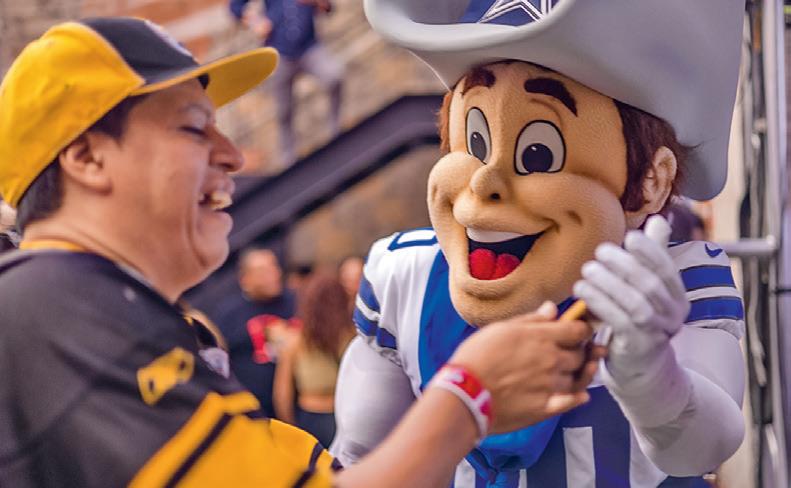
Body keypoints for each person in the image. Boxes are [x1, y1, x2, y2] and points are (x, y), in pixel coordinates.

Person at [0, 16, 602, 487]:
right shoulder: (59, 305)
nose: (232, 154)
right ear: (86, 157)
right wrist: (470, 395)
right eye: (192, 127)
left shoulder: (89, 306)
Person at [332, 1, 746, 486]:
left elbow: (705, 447)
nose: (484, 182)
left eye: (537, 154)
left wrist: (652, 375)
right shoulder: (406, 276)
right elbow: (360, 458)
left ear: (651, 180)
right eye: (476, 143)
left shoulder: (670, 284)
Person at [230, 0, 344, 167]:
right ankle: (288, 159)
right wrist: (256, 22)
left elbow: (329, 8)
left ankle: (336, 133)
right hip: (279, 54)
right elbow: (235, 6)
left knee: (334, 77)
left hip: (309, 48)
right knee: (283, 109)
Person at [211, 247, 298, 417]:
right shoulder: (229, 314)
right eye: (263, 271)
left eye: (274, 267)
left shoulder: (296, 301)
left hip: (300, 405)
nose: (273, 275)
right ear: (245, 279)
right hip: (256, 408)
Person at [273, 273, 355, 447]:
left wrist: (291, 427)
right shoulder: (352, 338)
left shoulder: (296, 341)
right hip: (346, 414)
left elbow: (282, 395)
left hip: (311, 415)